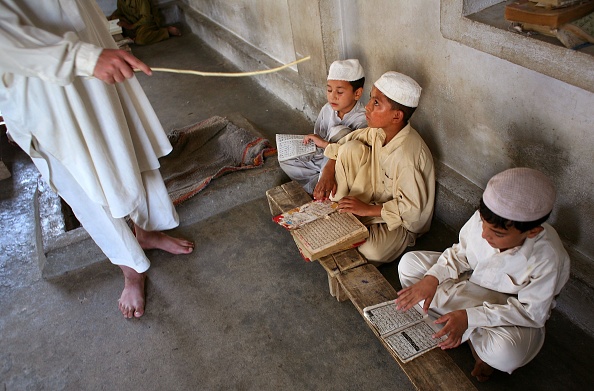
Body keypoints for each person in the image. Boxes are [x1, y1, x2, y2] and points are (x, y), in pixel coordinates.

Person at [0, 0, 194, 318]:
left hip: (93, 50)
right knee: (83, 181)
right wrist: (82, 57)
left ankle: (147, 230)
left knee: (126, 146)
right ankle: (130, 267)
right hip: (43, 88)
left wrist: (93, 50)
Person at [396, 168, 570, 382]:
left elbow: (532, 313)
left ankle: (460, 328)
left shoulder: (548, 257)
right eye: (483, 226)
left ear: (532, 232)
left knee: (507, 354)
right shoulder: (486, 218)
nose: (485, 236)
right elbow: (460, 254)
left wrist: (471, 317)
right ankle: (466, 333)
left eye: (498, 234)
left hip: (505, 312)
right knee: (409, 265)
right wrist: (432, 278)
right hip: (469, 284)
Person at [314, 71, 435, 265]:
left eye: (376, 103)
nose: (367, 108)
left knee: (372, 250)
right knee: (350, 149)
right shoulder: (378, 132)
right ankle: (347, 215)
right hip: (372, 200)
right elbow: (346, 142)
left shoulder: (407, 157)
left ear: (396, 116)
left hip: (400, 222)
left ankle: (355, 220)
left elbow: (412, 213)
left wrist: (366, 210)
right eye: (371, 99)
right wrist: (328, 170)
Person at [279, 59, 367, 194]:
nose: (332, 96)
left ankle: (323, 181)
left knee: (341, 131)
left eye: (339, 92)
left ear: (357, 93)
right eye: (329, 90)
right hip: (322, 156)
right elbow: (319, 137)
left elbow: (354, 153)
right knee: (286, 160)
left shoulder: (362, 118)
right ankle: (316, 185)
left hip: (341, 164)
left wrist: (328, 163)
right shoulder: (327, 109)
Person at [109, 0, 181, 45]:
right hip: (133, 22)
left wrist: (130, 26)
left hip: (147, 23)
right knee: (114, 21)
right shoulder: (121, 1)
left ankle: (166, 31)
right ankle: (133, 36)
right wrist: (111, 17)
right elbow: (120, 11)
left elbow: (147, 18)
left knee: (141, 40)